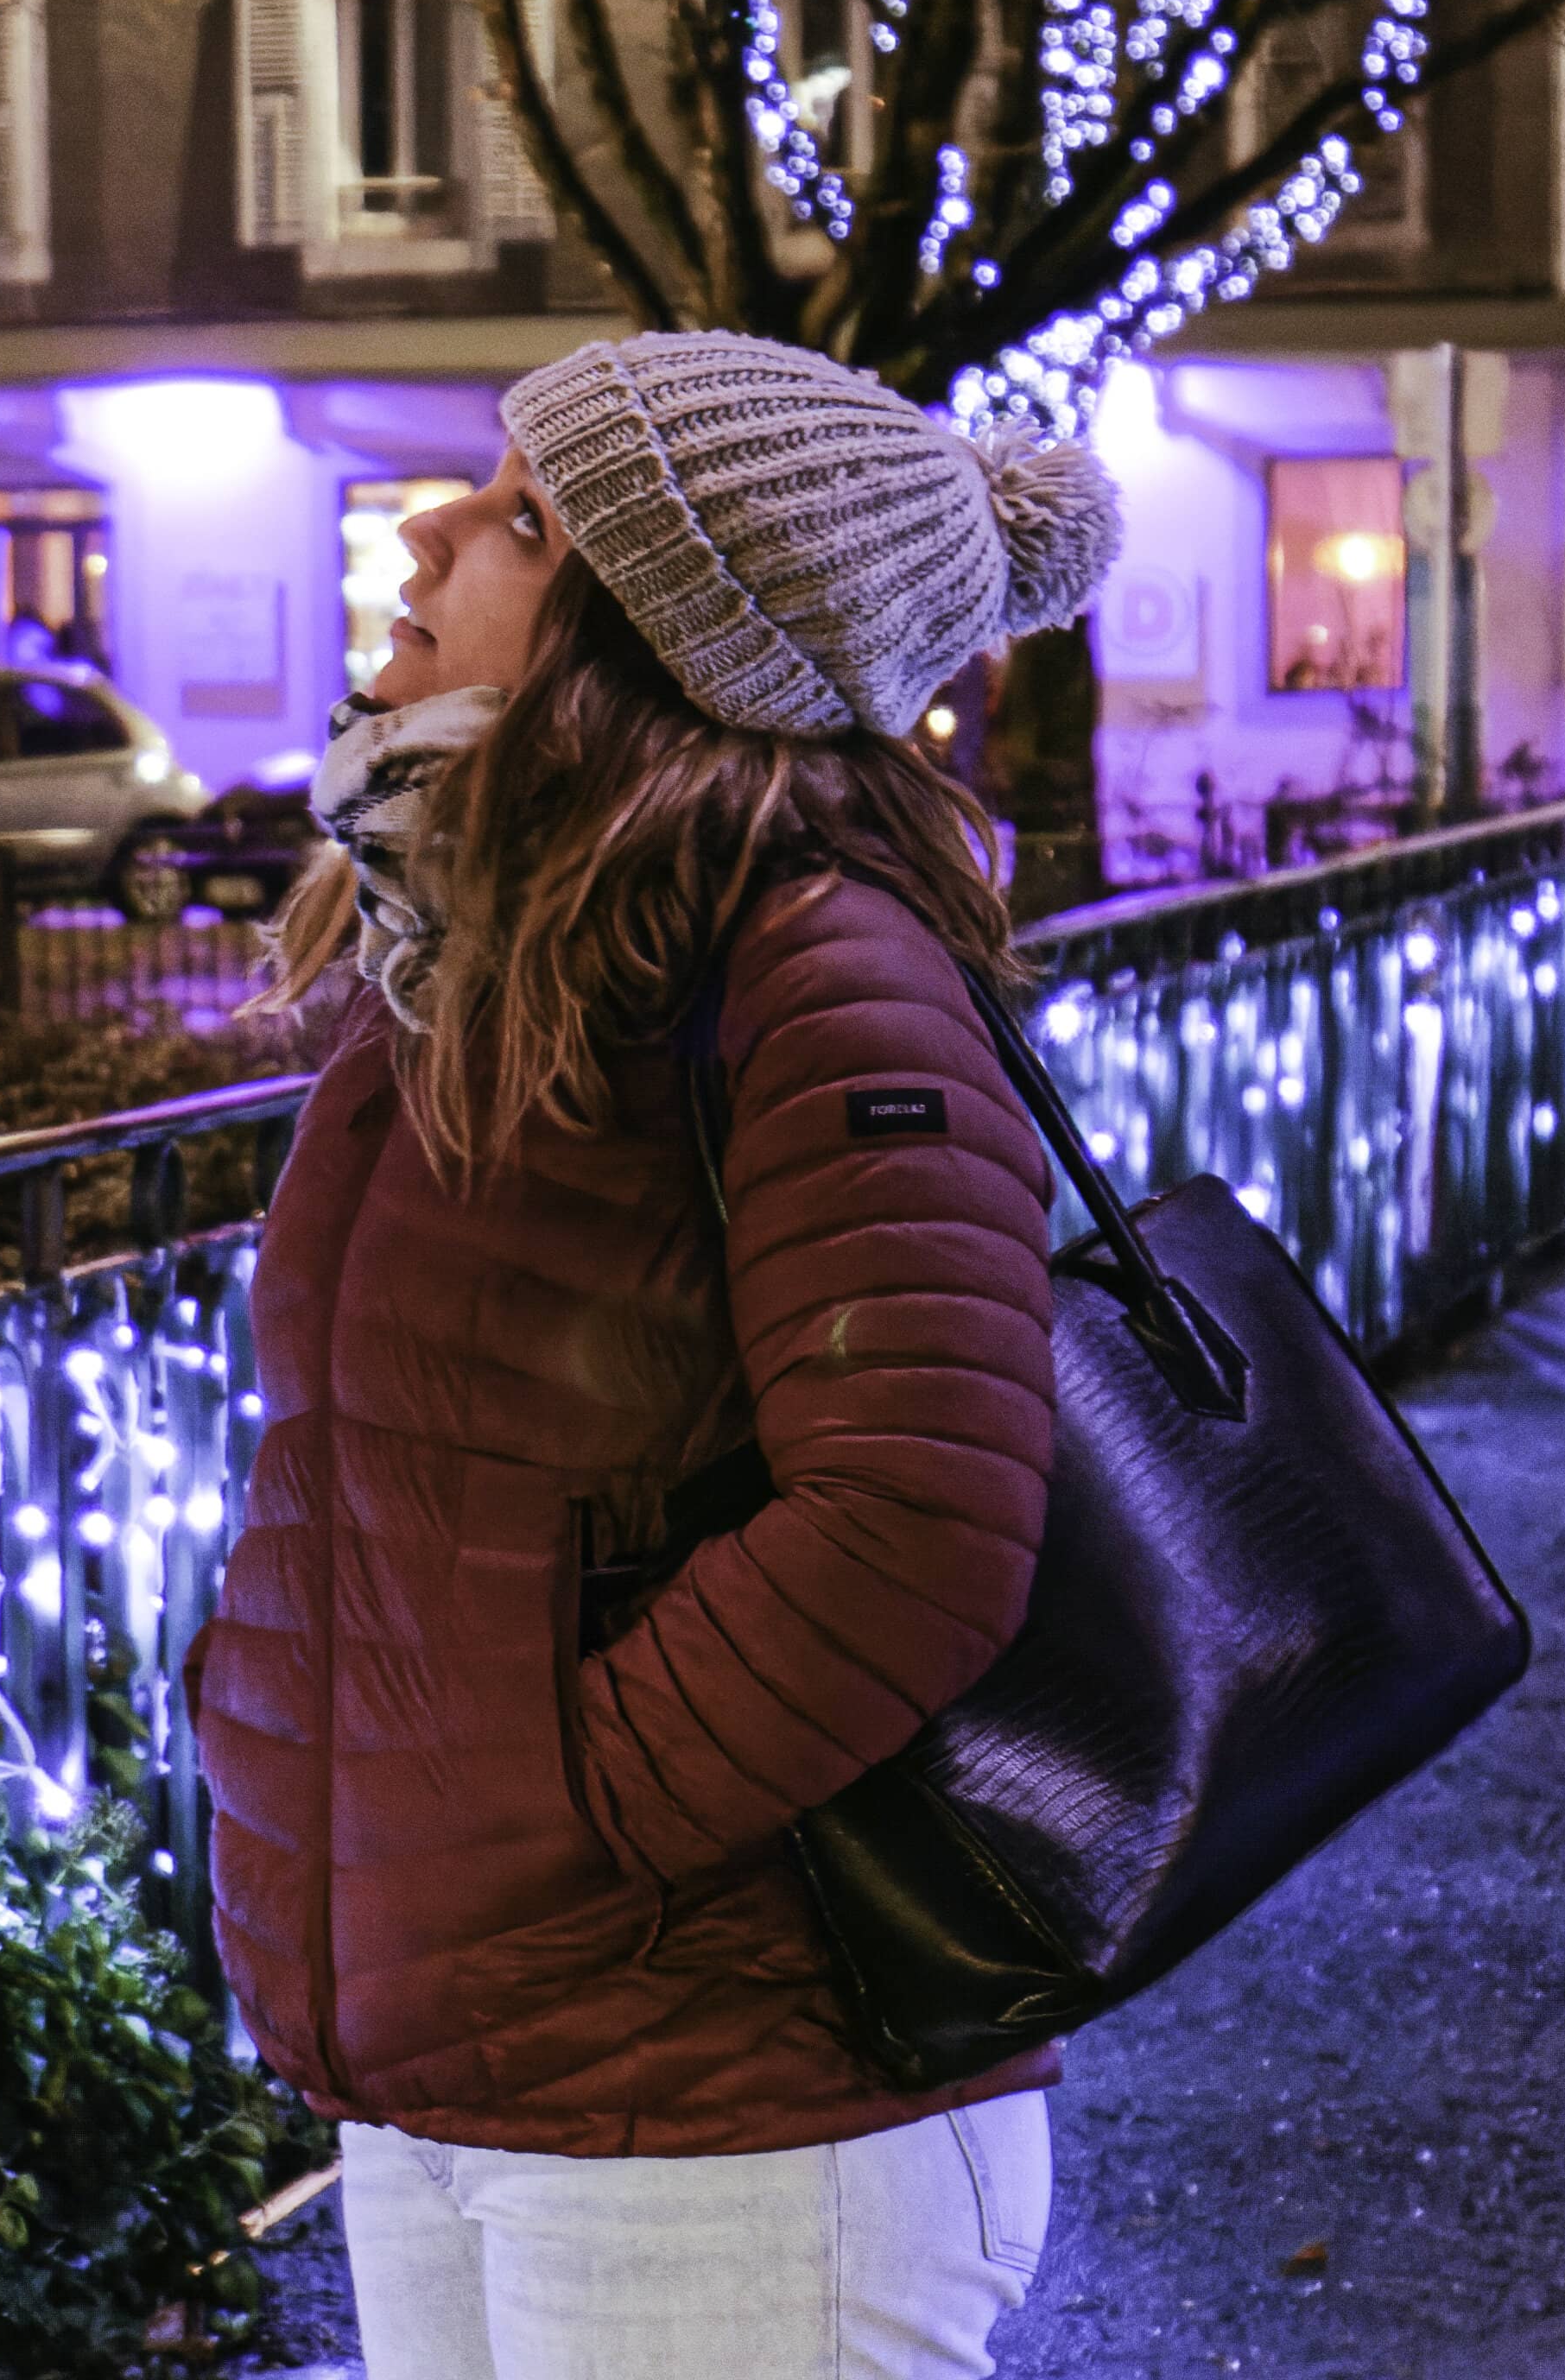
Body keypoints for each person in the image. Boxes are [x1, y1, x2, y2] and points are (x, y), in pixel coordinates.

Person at [193, 329, 1126, 2380]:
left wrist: (566, 1801)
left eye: (526, 516)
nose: (432, 526)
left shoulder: (809, 964)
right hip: (476, 2042)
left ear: (662, 635)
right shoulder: (469, 946)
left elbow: (918, 1515)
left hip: (731, 2077)